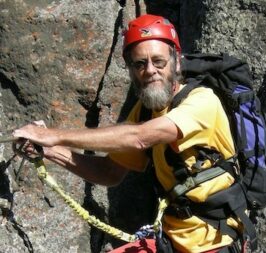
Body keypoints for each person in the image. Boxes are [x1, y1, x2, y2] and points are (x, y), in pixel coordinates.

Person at [13, 14, 243, 253]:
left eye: (159, 61)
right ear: (131, 70)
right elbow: (109, 172)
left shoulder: (202, 102)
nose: (150, 70)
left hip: (215, 243)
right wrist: (49, 150)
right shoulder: (144, 111)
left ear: (176, 63)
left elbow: (139, 137)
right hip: (171, 242)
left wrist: (54, 135)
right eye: (140, 64)